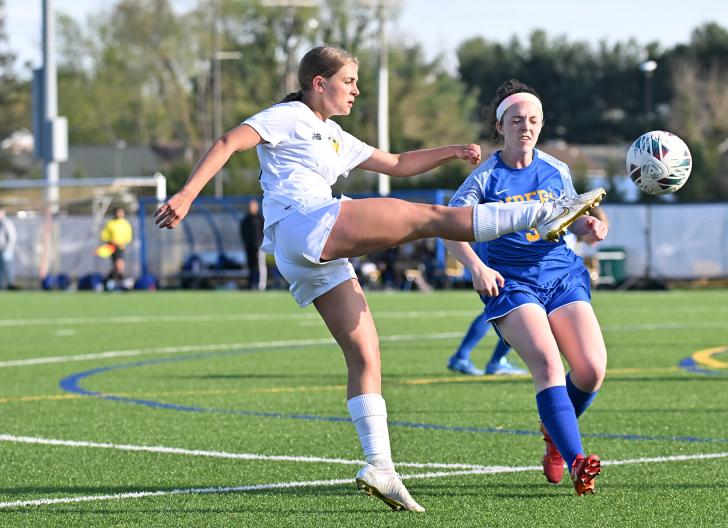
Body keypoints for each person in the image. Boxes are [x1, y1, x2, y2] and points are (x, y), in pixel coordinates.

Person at [154, 47, 604, 512]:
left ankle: (380, 467)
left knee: (366, 353)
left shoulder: (333, 135)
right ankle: (547, 210)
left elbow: (397, 163)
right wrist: (187, 194)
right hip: (304, 222)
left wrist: (450, 152)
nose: (356, 90)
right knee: (429, 217)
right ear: (318, 83)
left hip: (306, 254)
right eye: (349, 81)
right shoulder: (288, 115)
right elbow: (229, 141)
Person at [444, 79, 608, 496]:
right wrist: (477, 268)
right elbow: (449, 228)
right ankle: (575, 460)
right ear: (501, 126)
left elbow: (573, 214)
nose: (527, 127)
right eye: (517, 120)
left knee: (591, 371)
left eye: (534, 119)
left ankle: (553, 434)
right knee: (549, 367)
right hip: (512, 284)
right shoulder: (485, 178)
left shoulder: (556, 169)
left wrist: (591, 226)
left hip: (562, 275)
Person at [100, 207, 133, 289]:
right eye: (118, 212)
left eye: (121, 212)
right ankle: (122, 283)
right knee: (118, 266)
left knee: (118, 266)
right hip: (112, 247)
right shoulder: (110, 223)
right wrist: (111, 241)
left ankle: (108, 282)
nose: (120, 214)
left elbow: (129, 236)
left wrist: (123, 242)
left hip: (121, 247)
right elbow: (104, 236)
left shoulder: (126, 224)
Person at [240, 198, 266, 290]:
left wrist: (261, 243)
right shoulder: (245, 220)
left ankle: (261, 285)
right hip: (249, 246)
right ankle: (251, 284)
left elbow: (264, 232)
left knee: (260, 265)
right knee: (250, 265)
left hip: (259, 246)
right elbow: (242, 232)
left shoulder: (260, 219)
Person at [0, 208, 17, 290]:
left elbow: (12, 237)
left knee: (7, 267)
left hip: (5, 250)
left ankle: (11, 284)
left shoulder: (6, 223)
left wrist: (9, 249)